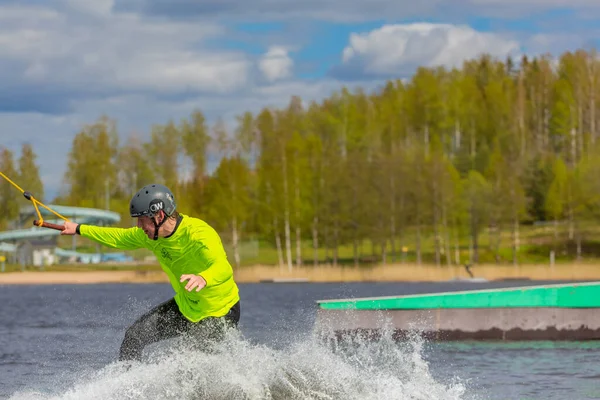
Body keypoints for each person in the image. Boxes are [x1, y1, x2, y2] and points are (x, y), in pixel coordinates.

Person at [60, 183, 241, 362]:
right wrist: (78, 229)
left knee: (192, 360)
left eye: (142, 219)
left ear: (159, 215)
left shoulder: (198, 233)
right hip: (188, 307)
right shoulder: (152, 237)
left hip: (220, 311)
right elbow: (119, 237)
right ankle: (129, 386)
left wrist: (204, 277)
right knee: (134, 336)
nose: (139, 226)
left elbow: (223, 267)